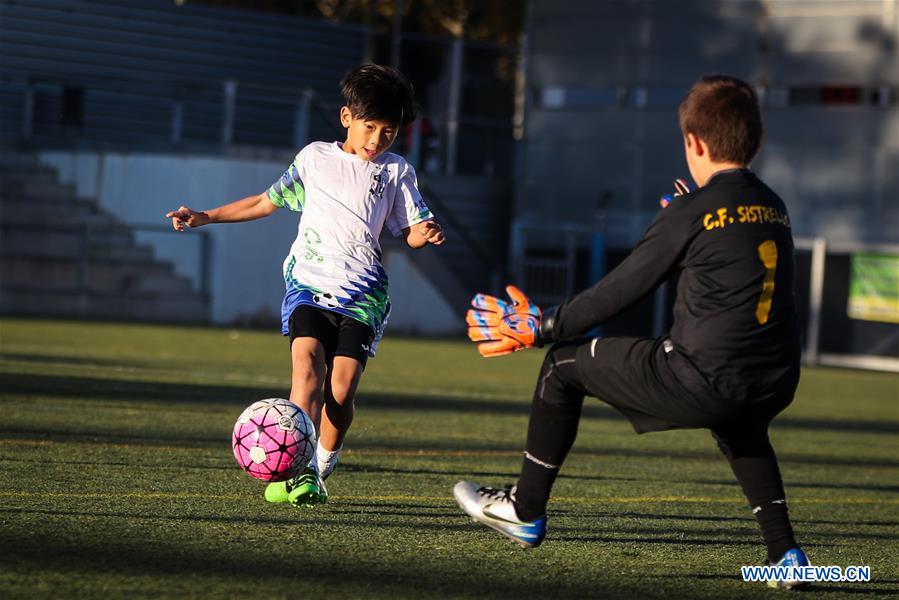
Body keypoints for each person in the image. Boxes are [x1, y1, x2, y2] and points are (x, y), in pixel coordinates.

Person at [456, 75, 809, 589]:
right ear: (755, 140)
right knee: (741, 420)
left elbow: (621, 290)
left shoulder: (693, 211)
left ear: (694, 143)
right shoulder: (775, 206)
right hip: (774, 381)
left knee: (562, 366)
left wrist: (544, 326)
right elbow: (725, 245)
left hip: (701, 378)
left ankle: (524, 509)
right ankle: (786, 556)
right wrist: (687, 222)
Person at [166, 64, 445, 508]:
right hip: (309, 284)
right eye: (369, 127)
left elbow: (409, 230)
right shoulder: (314, 158)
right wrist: (205, 216)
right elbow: (264, 201)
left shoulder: (396, 172)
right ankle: (301, 470)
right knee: (307, 370)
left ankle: (323, 457)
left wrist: (424, 233)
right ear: (346, 118)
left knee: (342, 390)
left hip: (362, 295)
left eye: (388, 132)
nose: (376, 140)